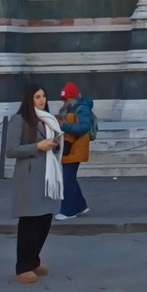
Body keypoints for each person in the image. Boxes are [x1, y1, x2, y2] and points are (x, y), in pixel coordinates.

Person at [7, 86, 63, 281]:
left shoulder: (48, 120)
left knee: (45, 219)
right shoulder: (19, 120)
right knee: (30, 220)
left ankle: (34, 260)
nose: (41, 100)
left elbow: (53, 147)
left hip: (49, 176)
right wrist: (37, 146)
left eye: (44, 96)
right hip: (29, 176)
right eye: (37, 96)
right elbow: (11, 150)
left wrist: (55, 144)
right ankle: (23, 266)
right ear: (29, 99)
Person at [56, 82, 94, 221]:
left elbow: (83, 127)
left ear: (73, 97)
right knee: (69, 178)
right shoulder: (70, 109)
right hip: (69, 147)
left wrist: (63, 125)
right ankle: (80, 206)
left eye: (66, 98)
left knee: (67, 179)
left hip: (75, 147)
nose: (64, 101)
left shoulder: (82, 109)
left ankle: (68, 211)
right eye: (63, 99)